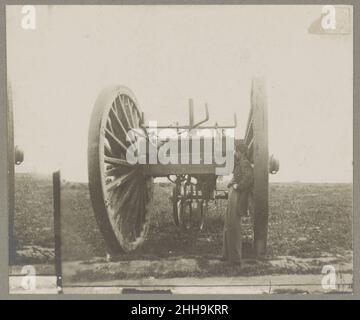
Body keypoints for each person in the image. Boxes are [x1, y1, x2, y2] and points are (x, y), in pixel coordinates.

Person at [222, 142, 254, 265]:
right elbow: (240, 177)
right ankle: (228, 255)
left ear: (241, 152)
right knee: (229, 224)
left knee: (233, 226)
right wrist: (232, 182)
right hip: (234, 194)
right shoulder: (240, 163)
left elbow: (249, 178)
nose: (235, 153)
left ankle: (235, 259)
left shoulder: (244, 163)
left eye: (237, 151)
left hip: (237, 196)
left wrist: (237, 186)